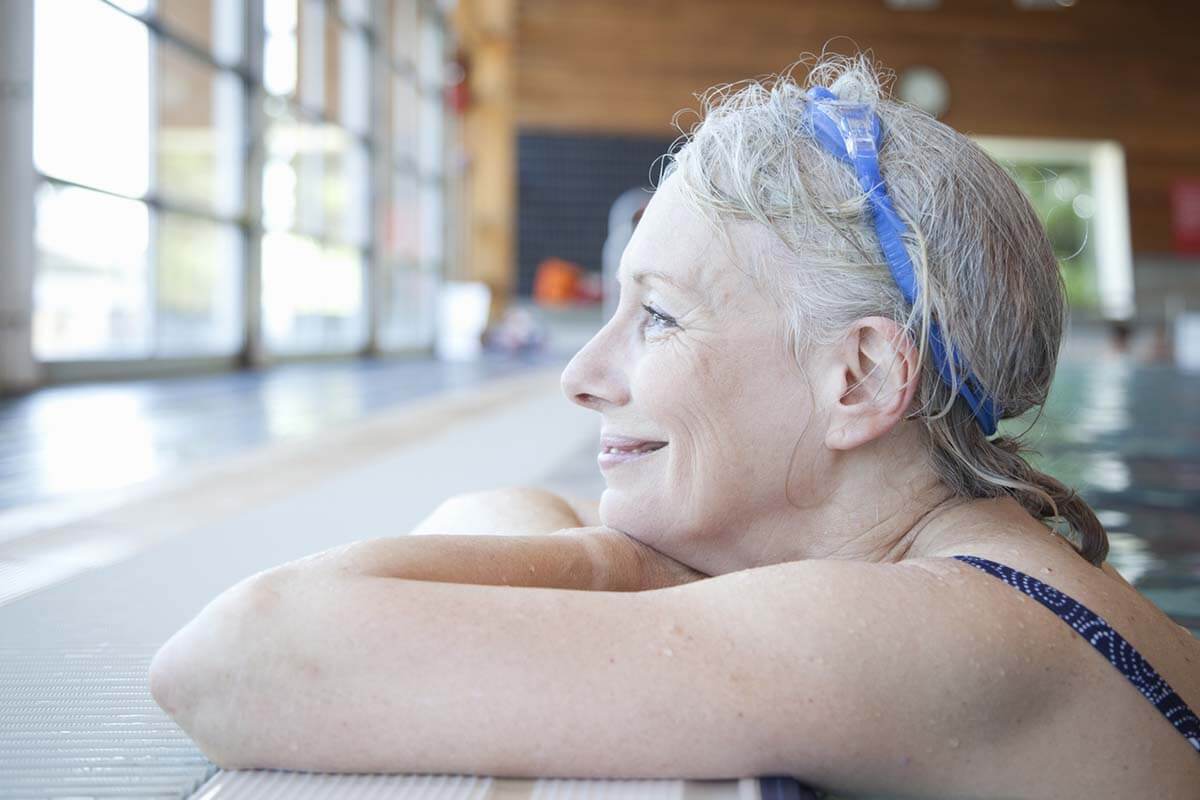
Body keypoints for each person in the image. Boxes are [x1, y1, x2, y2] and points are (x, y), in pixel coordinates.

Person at [148, 52, 1200, 797]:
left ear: (860, 376)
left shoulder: (932, 633)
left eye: (656, 315)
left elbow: (237, 658)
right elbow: (485, 515)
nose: (581, 372)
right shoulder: (966, 579)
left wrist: (615, 563)